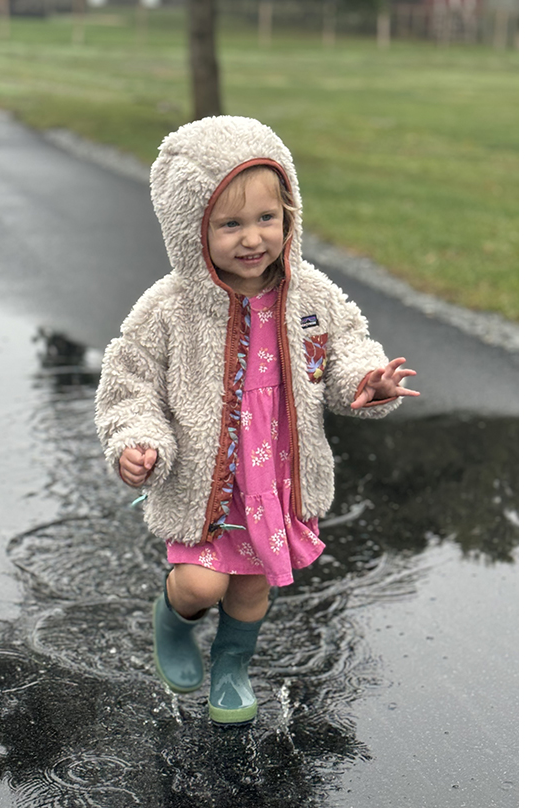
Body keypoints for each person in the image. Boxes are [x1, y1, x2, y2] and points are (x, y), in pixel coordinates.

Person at [95, 116, 419, 725]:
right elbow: (129, 379)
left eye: (266, 219)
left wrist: (366, 383)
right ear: (192, 229)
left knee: (250, 587)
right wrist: (137, 439)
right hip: (206, 485)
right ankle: (173, 621)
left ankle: (233, 665)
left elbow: (346, 349)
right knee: (201, 585)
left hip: (277, 484)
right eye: (230, 224)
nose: (252, 239)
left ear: (290, 215)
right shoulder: (170, 307)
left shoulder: (310, 296)